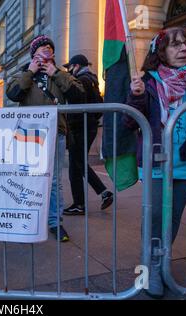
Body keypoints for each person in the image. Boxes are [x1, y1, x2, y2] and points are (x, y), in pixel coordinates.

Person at [127, 27, 186, 298]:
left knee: (173, 218)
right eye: (175, 45)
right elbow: (129, 121)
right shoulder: (147, 80)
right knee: (155, 216)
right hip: (155, 161)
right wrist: (137, 96)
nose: (183, 49)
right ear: (161, 51)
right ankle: (151, 267)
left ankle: (160, 262)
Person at [6, 35, 85, 242]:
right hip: (29, 135)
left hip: (55, 133)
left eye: (50, 47)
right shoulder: (23, 73)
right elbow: (13, 94)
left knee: (55, 180)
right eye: (42, 47)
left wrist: (57, 74)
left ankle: (54, 222)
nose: (46, 50)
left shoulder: (60, 73)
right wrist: (30, 72)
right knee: (28, 177)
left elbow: (79, 95)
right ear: (34, 53)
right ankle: (28, 218)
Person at [62, 54, 113, 215]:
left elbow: (77, 102)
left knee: (77, 164)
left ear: (76, 66)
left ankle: (95, 196)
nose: (69, 70)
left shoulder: (82, 80)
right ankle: (85, 201)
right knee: (77, 165)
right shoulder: (91, 79)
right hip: (87, 126)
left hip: (79, 127)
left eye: (70, 67)